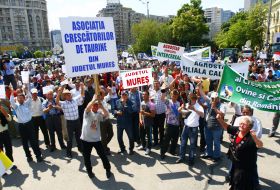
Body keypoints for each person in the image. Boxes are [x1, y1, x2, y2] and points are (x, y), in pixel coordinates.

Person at [216, 115, 263, 190]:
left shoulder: (251, 138)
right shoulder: (238, 130)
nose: (241, 125)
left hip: (245, 167)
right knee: (235, 181)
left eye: (244, 124)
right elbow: (227, 127)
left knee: (240, 184)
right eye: (240, 123)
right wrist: (219, 119)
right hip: (236, 163)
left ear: (249, 127)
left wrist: (255, 137)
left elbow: (260, 145)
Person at [80, 98, 112, 179]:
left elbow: (107, 115)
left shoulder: (99, 114)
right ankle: (89, 171)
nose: (95, 106)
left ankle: (108, 169)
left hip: (96, 139)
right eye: (94, 105)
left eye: (96, 106)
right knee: (86, 157)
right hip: (86, 139)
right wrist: (94, 100)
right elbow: (87, 107)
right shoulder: (87, 112)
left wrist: (102, 107)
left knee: (103, 155)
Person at [10, 87, 43, 162]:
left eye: (21, 98)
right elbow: (11, 101)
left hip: (29, 125)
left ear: (24, 99)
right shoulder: (16, 106)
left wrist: (26, 90)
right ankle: (28, 156)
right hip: (21, 126)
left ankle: (38, 155)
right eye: (18, 98)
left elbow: (30, 96)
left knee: (33, 141)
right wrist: (12, 93)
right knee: (24, 143)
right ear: (17, 99)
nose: (20, 99)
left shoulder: (27, 104)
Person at [199, 83, 226, 162]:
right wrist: (200, 86)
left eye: (215, 98)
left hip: (217, 127)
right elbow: (203, 95)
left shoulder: (222, 105)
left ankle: (217, 156)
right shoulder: (209, 101)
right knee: (208, 140)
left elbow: (222, 114)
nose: (213, 100)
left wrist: (214, 108)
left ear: (218, 98)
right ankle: (209, 153)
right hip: (208, 125)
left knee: (216, 142)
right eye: (212, 98)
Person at [56, 84, 85, 158]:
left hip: (77, 121)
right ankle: (68, 152)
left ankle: (80, 148)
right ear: (65, 97)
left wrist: (82, 87)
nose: (69, 95)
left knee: (79, 136)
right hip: (70, 123)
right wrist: (59, 93)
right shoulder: (64, 103)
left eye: (69, 94)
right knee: (70, 138)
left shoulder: (75, 99)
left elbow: (82, 94)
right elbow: (57, 101)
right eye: (67, 95)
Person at [177, 93, 204, 166]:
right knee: (182, 143)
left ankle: (191, 159)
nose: (189, 100)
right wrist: (180, 109)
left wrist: (194, 109)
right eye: (189, 99)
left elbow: (202, 115)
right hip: (186, 127)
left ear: (194, 99)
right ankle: (181, 157)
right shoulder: (186, 104)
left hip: (194, 128)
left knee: (192, 145)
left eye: (191, 99)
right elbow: (180, 111)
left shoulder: (198, 106)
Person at [160, 89, 181, 159]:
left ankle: (172, 151)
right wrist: (163, 92)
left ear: (177, 96)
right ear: (171, 96)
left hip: (177, 124)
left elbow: (179, 113)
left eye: (176, 96)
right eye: (173, 96)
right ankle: (162, 152)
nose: (174, 97)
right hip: (169, 123)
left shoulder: (178, 103)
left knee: (175, 139)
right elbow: (162, 98)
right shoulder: (168, 101)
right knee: (166, 139)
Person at [115, 90, 134, 155]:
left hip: (128, 123)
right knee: (119, 137)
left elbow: (131, 111)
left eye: (125, 95)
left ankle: (131, 149)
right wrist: (116, 112)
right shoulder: (117, 101)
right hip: (120, 123)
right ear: (120, 95)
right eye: (122, 94)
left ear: (127, 96)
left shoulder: (130, 102)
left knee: (131, 137)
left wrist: (125, 104)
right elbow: (113, 110)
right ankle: (122, 148)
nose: (124, 96)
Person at [139, 91, 156, 155]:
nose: (143, 96)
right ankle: (143, 145)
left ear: (148, 96)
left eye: (145, 94)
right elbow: (140, 112)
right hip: (142, 122)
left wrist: (145, 113)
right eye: (143, 94)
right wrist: (140, 119)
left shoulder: (151, 104)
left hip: (148, 123)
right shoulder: (142, 102)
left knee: (149, 136)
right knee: (142, 135)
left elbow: (153, 115)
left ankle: (149, 148)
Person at [150, 80, 166, 146]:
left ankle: (162, 141)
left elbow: (163, 98)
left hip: (161, 113)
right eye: (155, 84)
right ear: (153, 85)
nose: (156, 85)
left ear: (159, 84)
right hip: (154, 114)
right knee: (154, 128)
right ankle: (156, 141)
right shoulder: (151, 91)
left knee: (161, 128)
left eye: (157, 84)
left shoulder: (162, 91)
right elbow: (150, 101)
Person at [99, 89, 114, 155]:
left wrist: (110, 90)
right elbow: (99, 113)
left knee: (111, 134)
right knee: (104, 136)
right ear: (100, 95)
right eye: (103, 94)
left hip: (107, 120)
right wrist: (103, 114)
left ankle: (102, 146)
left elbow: (109, 96)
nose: (105, 95)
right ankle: (104, 149)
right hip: (102, 121)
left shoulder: (104, 99)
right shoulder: (97, 103)